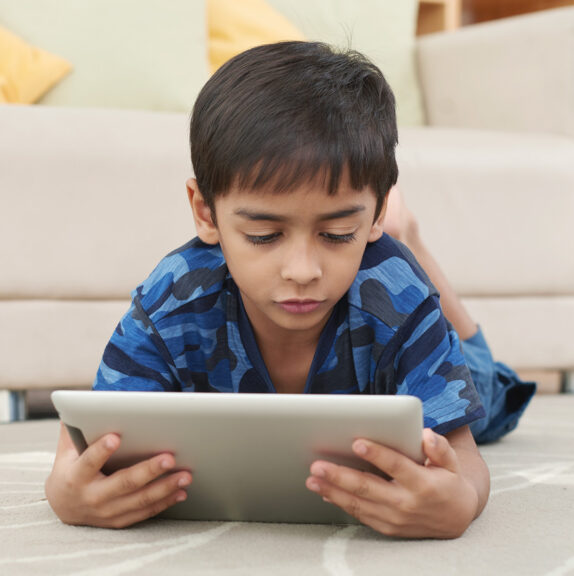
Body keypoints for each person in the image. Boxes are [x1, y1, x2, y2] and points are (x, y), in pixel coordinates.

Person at [44, 41, 535, 538]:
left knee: (485, 386)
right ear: (205, 213)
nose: (302, 271)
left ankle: (408, 238)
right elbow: (86, 434)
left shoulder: (397, 295)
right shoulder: (173, 297)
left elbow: (465, 458)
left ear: (374, 214)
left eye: (337, 233)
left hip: (420, 328)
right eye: (264, 235)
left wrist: (462, 499)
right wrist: (63, 491)